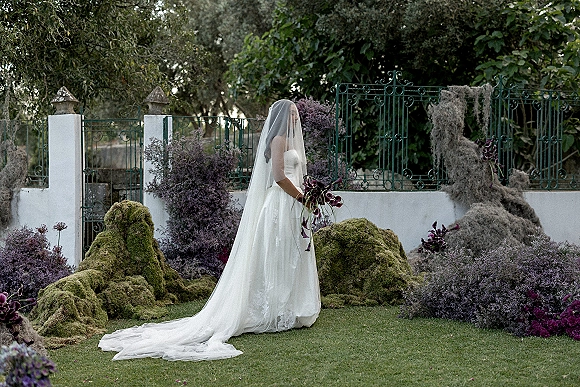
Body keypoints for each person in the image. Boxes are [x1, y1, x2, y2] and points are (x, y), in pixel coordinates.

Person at [98, 99, 321, 361]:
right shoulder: (279, 139)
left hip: (293, 206)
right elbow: (279, 176)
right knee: (277, 254)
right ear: (283, 117)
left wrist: (311, 196)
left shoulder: (292, 142)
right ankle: (274, 309)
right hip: (282, 205)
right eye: (293, 114)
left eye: (296, 114)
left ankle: (290, 306)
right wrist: (303, 198)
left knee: (290, 254)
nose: (296, 118)